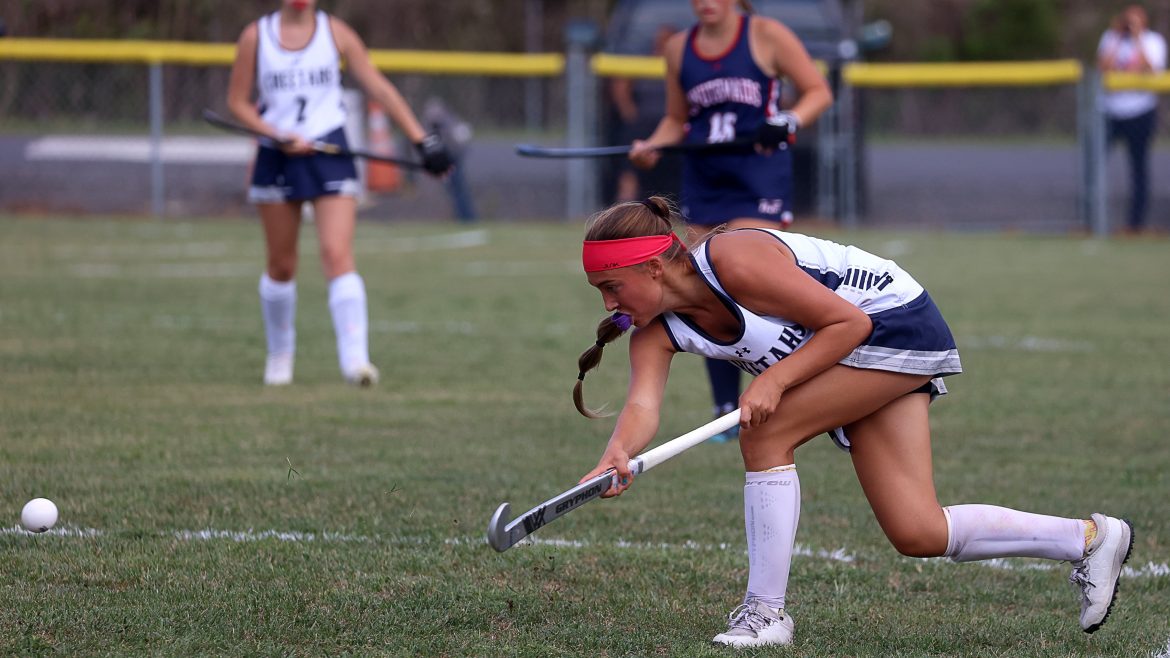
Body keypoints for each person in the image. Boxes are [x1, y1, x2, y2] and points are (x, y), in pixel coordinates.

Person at [572, 196, 1134, 648]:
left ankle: (766, 615)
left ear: (650, 267)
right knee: (918, 531)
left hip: (894, 320)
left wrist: (775, 380)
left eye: (611, 286)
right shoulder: (653, 333)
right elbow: (643, 406)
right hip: (849, 351)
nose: (607, 304)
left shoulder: (734, 260)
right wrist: (615, 454)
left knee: (766, 431)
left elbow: (848, 323)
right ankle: (1088, 539)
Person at [628, 0, 833, 442]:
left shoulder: (766, 35)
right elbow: (677, 120)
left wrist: (788, 120)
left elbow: (818, 91)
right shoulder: (680, 48)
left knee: (760, 285)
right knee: (705, 289)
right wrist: (652, 146)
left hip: (758, 177)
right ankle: (725, 407)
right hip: (705, 180)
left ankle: (807, 397)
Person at [226, 0, 451, 386]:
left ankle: (356, 362)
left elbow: (377, 84)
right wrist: (275, 134)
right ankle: (280, 357)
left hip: (329, 152)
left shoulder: (337, 33)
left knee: (337, 253)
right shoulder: (255, 37)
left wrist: (421, 139)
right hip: (278, 155)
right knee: (282, 265)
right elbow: (236, 102)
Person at [1097, 4, 1167, 235]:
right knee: (1094, 166)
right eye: (1128, 19)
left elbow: (1151, 70)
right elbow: (1103, 68)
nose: (1130, 24)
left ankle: (1135, 224)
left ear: (1144, 21)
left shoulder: (1153, 41)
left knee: (1139, 170)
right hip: (1110, 111)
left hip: (1140, 112)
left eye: (1135, 20)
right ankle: (1093, 219)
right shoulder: (1111, 37)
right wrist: (1118, 37)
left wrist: (1137, 38)